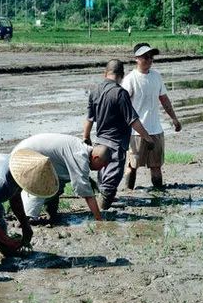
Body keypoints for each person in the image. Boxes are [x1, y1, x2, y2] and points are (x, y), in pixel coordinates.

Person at [0, 149, 58, 271]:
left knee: (0, 227)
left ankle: (9, 255)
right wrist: (8, 241)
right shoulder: (3, 181)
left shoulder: (19, 172)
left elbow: (15, 200)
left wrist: (26, 225)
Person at [83, 59, 157, 210]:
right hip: (115, 144)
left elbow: (89, 118)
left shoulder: (95, 91)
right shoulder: (120, 93)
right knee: (111, 182)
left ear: (105, 73)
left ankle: (101, 202)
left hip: (99, 143)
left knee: (103, 177)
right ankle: (102, 212)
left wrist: (86, 137)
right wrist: (147, 138)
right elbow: (133, 120)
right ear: (122, 75)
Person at [122, 43, 182, 190]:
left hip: (155, 129)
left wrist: (174, 118)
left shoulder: (156, 76)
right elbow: (122, 106)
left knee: (156, 166)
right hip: (136, 132)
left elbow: (164, 99)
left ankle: (159, 193)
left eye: (151, 57)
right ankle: (129, 193)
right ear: (137, 58)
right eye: (145, 57)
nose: (149, 59)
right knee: (132, 166)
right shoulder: (130, 79)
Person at [12, 134, 111, 222]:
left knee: (57, 182)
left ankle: (51, 213)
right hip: (23, 158)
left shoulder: (81, 149)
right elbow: (85, 191)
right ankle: (27, 217)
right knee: (42, 181)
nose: (100, 169)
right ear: (96, 158)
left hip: (29, 153)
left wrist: (88, 180)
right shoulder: (80, 156)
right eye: (102, 166)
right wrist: (99, 219)